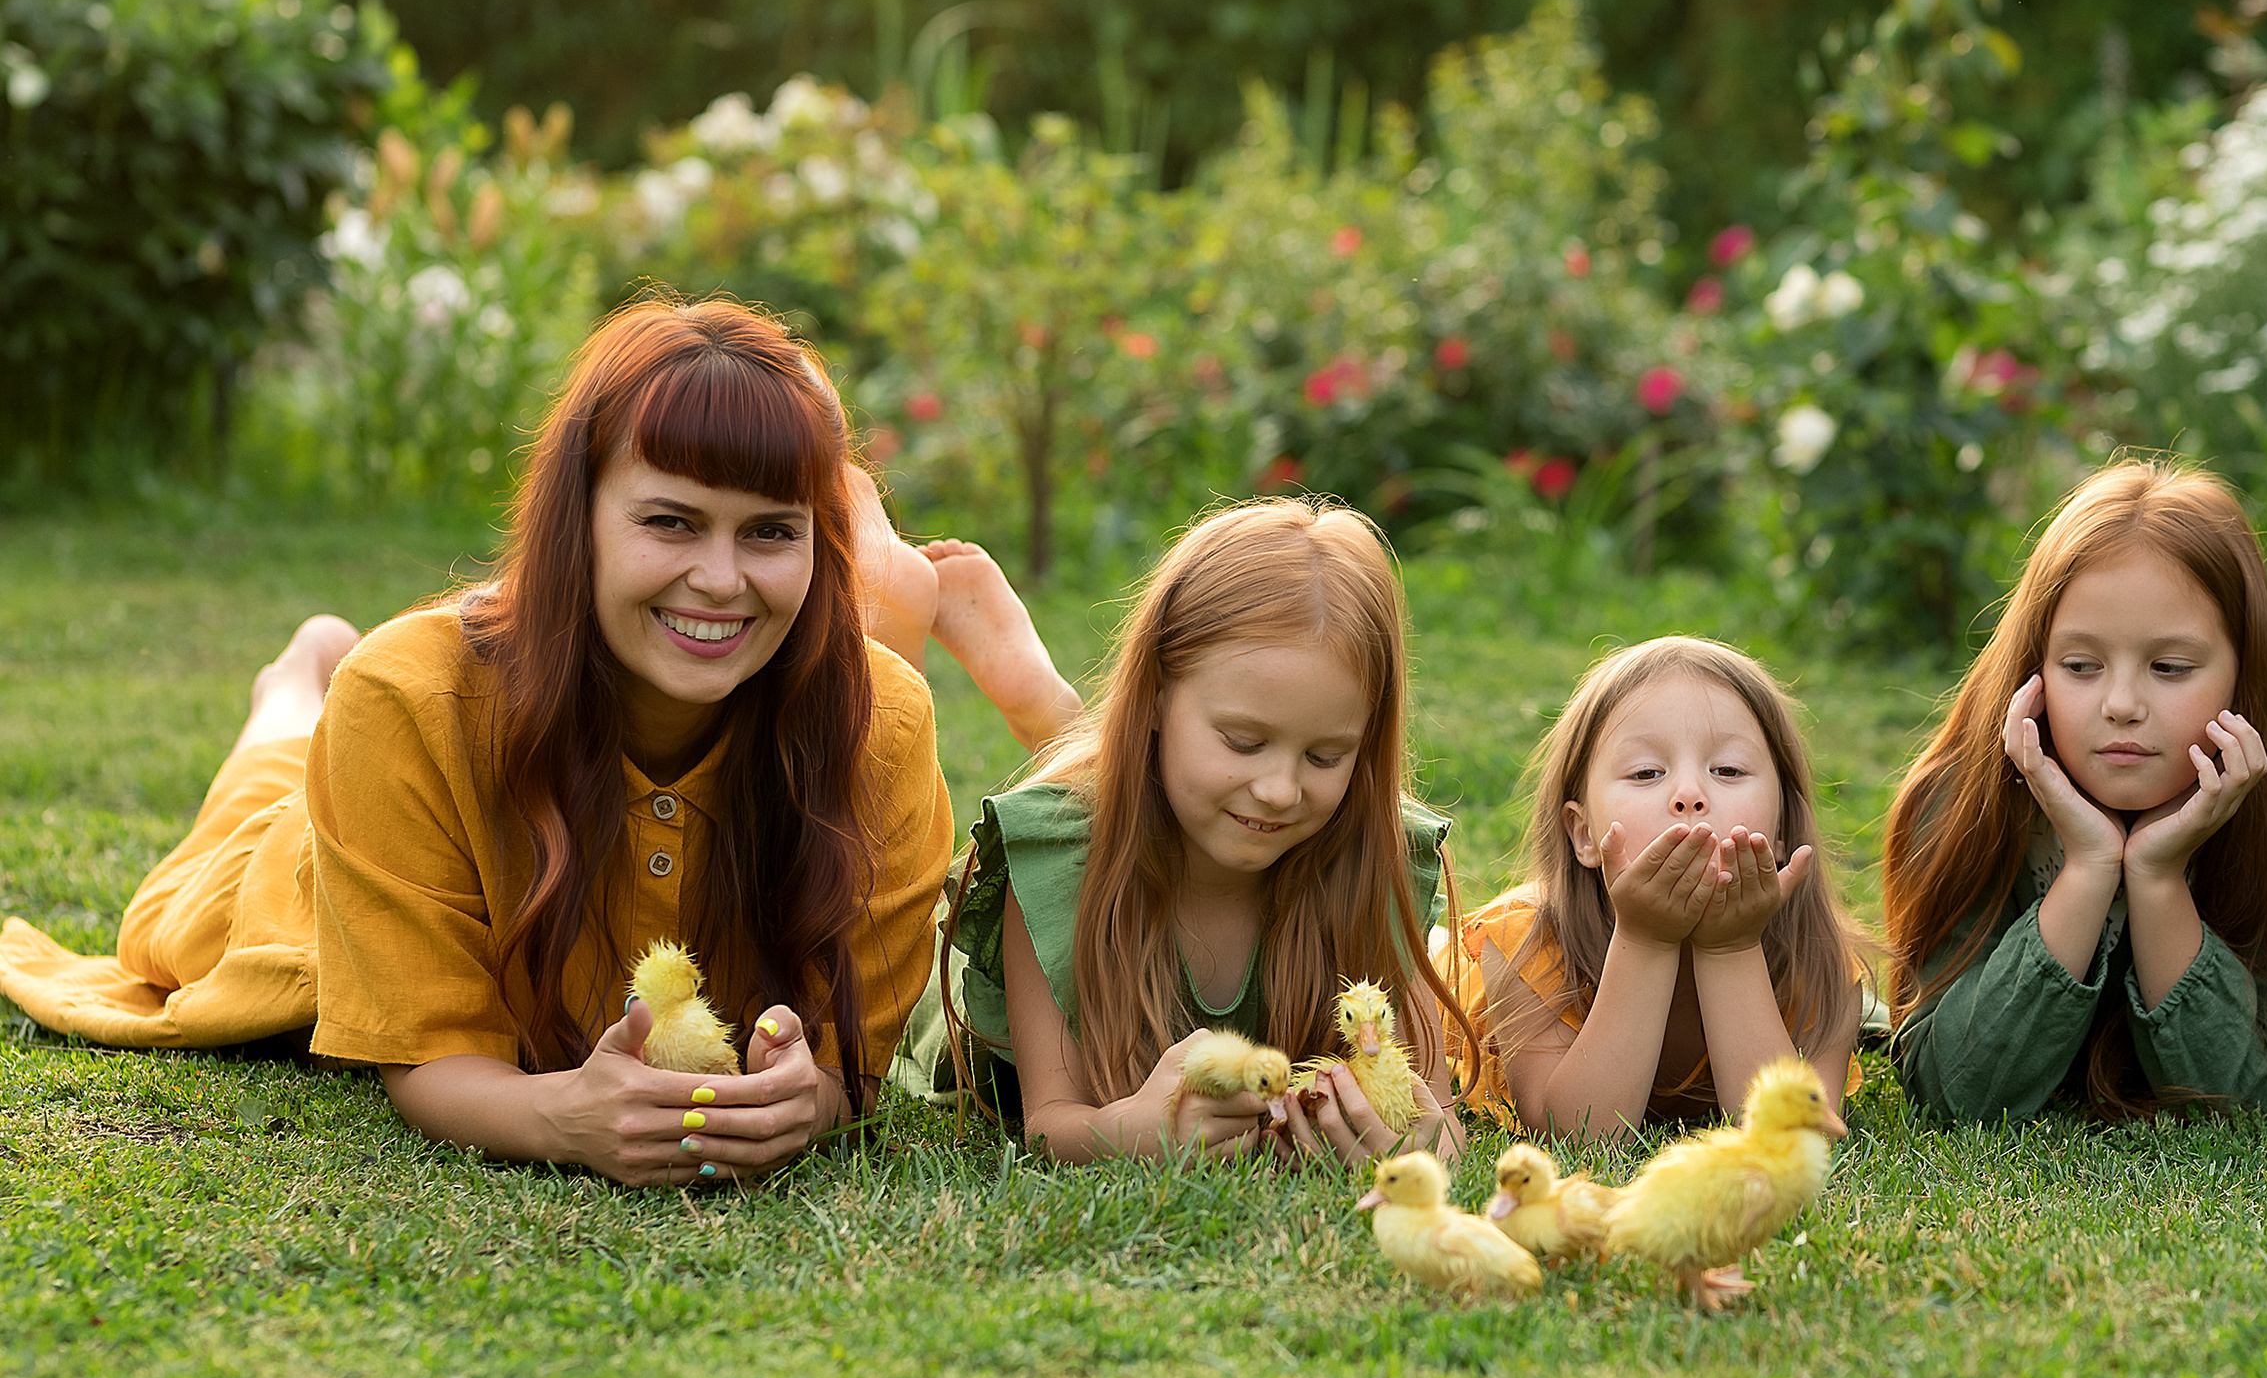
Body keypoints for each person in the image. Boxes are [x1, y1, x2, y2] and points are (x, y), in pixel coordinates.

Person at [0, 301, 974, 1186]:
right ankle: (293, 693)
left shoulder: (880, 719)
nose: (720, 579)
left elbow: (853, 1066)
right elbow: (432, 1058)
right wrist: (568, 1117)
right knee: (220, 862)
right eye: (670, 521)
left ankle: (302, 704)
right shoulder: (404, 697)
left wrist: (801, 1104)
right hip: (304, 878)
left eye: (769, 532)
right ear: (577, 521)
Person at [1883, 457, 2267, 1120]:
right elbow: (1953, 1091)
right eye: (2081, 665)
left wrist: (2157, 875)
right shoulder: (1961, 801)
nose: (2121, 704)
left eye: (2169, 667)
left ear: (2244, 671)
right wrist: (2088, 867)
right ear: (2034, 667)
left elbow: (2257, 1100)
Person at [942, 498, 1474, 1166]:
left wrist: (1416, 1143)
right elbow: (1051, 1123)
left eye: (1325, 756)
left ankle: (1058, 719)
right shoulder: (1054, 856)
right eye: (1244, 741)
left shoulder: (1376, 848)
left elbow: (1441, 1118)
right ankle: (1040, 707)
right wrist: (1136, 1129)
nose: (1280, 789)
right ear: (1158, 693)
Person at [1445, 636, 1865, 1139]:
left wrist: (1730, 948)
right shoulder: (1522, 948)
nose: (1690, 795)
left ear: (1780, 832)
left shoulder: (1823, 966)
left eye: (1727, 770)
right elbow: (1577, 1137)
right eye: (1647, 773)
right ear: (1583, 835)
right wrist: (1647, 939)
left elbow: (1791, 1140)